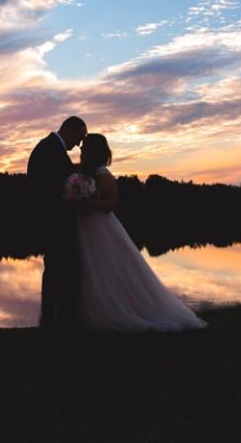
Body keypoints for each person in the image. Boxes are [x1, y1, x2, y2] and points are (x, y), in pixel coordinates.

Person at [76, 133, 207, 332]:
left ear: (94, 150)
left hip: (101, 228)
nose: (81, 150)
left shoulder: (102, 174)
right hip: (87, 228)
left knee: (109, 269)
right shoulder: (85, 173)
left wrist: (87, 202)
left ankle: (122, 311)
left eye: (85, 146)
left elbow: (113, 203)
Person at [26, 116, 87, 329]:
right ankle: (56, 320)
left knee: (57, 269)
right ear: (70, 129)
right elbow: (48, 189)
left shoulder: (50, 147)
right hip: (55, 222)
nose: (79, 144)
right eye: (79, 138)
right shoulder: (49, 149)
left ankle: (54, 318)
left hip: (55, 222)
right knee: (59, 269)